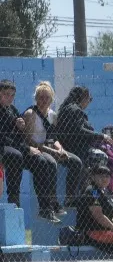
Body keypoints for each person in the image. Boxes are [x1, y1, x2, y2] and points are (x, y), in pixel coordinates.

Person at [1, 79, 60, 222]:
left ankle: (45, 208)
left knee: (40, 161)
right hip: (4, 147)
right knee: (16, 156)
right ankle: (14, 199)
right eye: (6, 94)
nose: (9, 98)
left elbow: (19, 135)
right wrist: (27, 148)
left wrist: (20, 126)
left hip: (17, 147)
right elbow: (3, 138)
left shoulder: (12, 110)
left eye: (12, 95)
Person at [23, 81, 82, 215]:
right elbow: (28, 140)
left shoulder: (53, 115)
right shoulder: (31, 114)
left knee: (76, 162)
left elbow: (54, 138)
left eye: (47, 98)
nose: (43, 101)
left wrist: (60, 149)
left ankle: (70, 198)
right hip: (37, 149)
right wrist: (53, 151)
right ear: (36, 98)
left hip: (51, 148)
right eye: (40, 97)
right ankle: (52, 201)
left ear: (52, 99)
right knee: (50, 162)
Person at [51, 86, 103, 196]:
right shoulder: (76, 110)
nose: (89, 102)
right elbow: (79, 130)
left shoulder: (66, 108)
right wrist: (101, 136)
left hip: (69, 146)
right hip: (76, 148)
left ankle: (89, 191)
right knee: (101, 157)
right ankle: (93, 194)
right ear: (84, 98)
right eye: (89, 99)